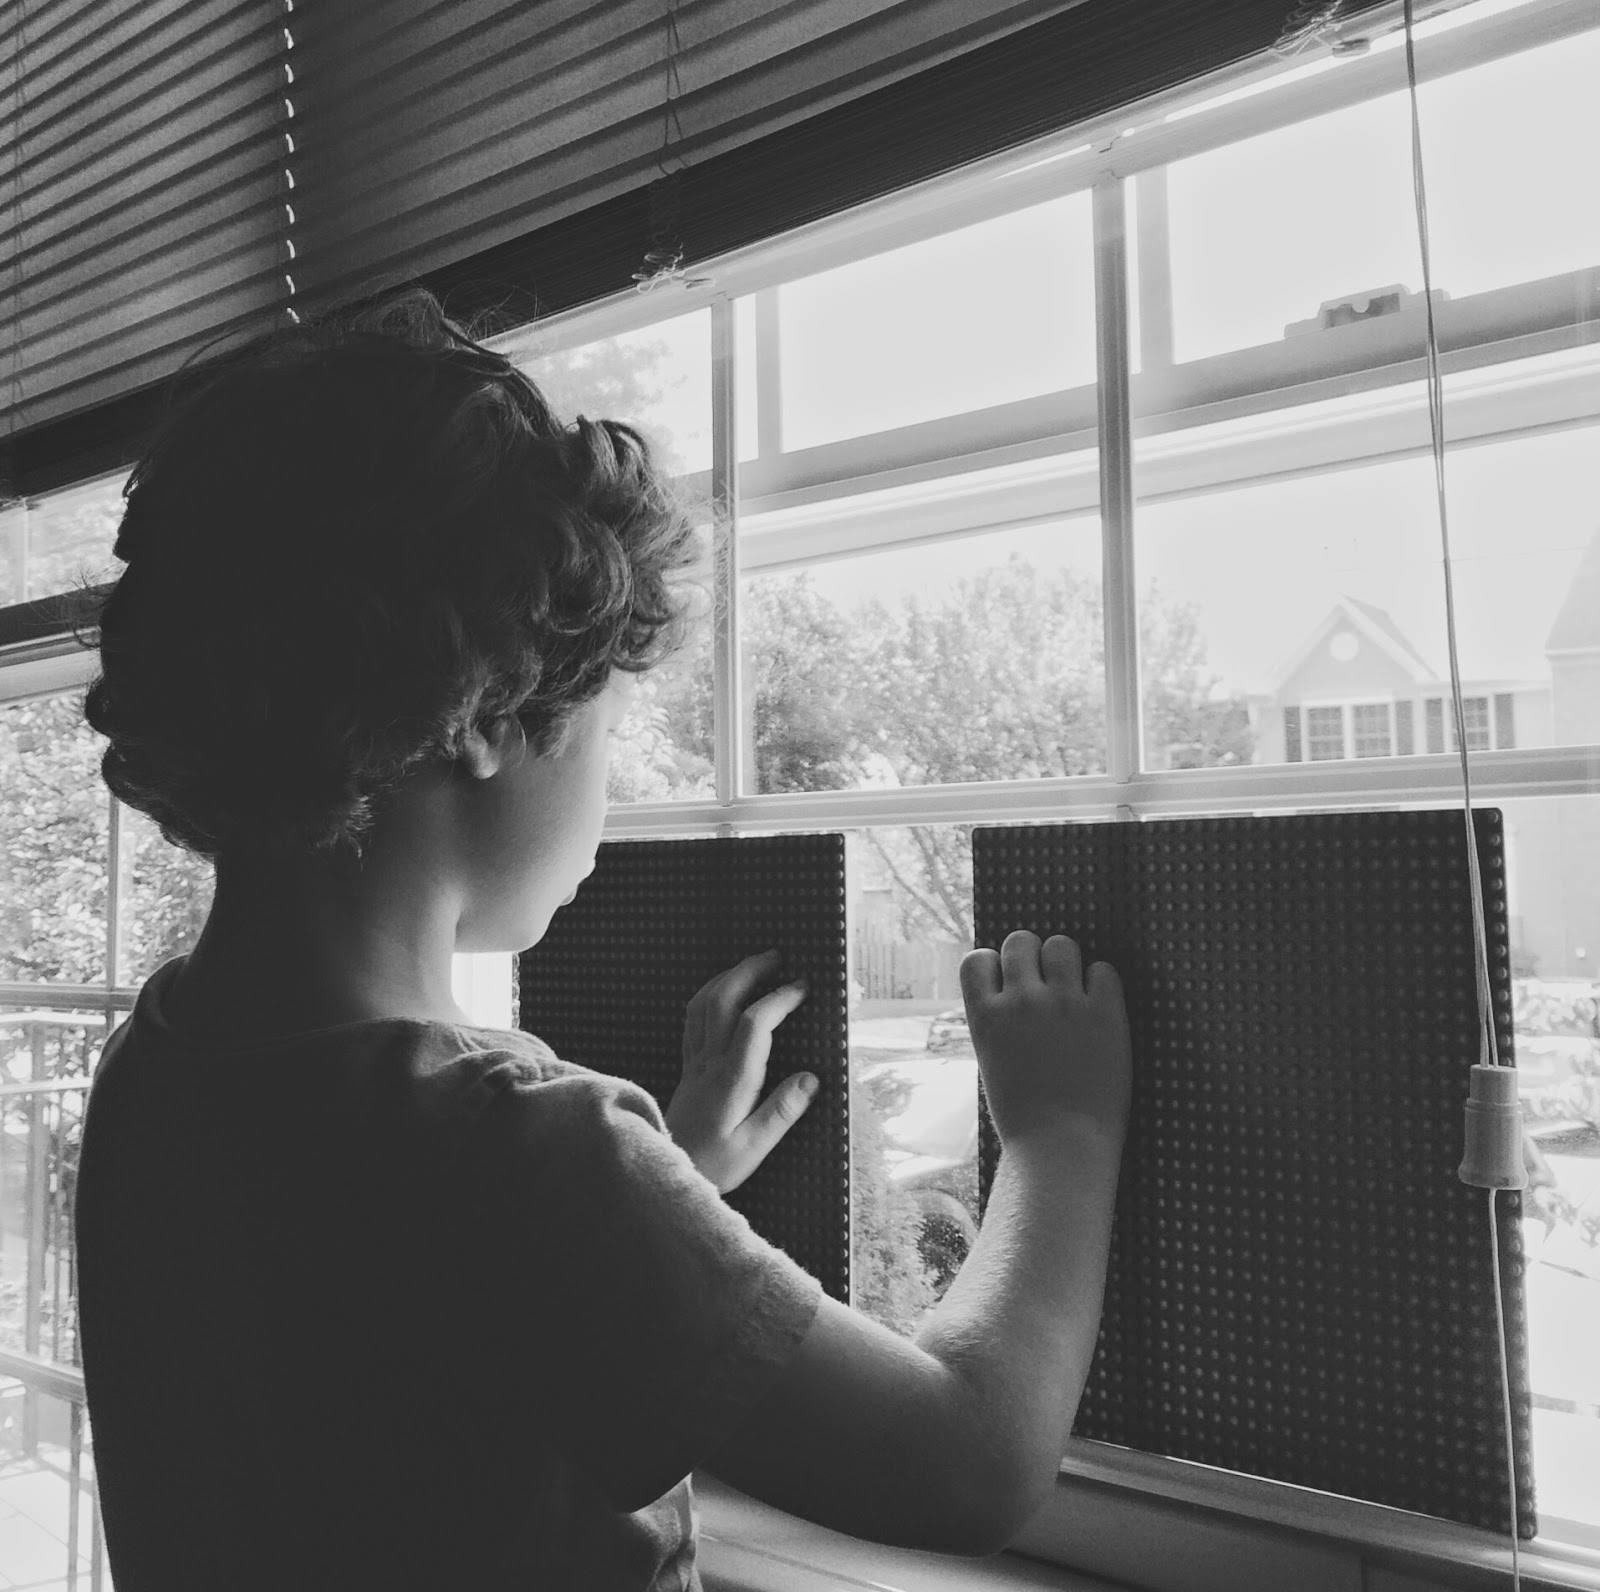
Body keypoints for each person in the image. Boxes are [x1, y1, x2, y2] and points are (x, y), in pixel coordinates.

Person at [73, 285, 1130, 1591]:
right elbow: (969, 1460)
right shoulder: (518, 1149)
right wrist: (1060, 1132)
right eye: (612, 728)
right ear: (486, 715)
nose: (610, 790)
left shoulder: (159, 1069)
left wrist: (672, 1171)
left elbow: (402, 1348)